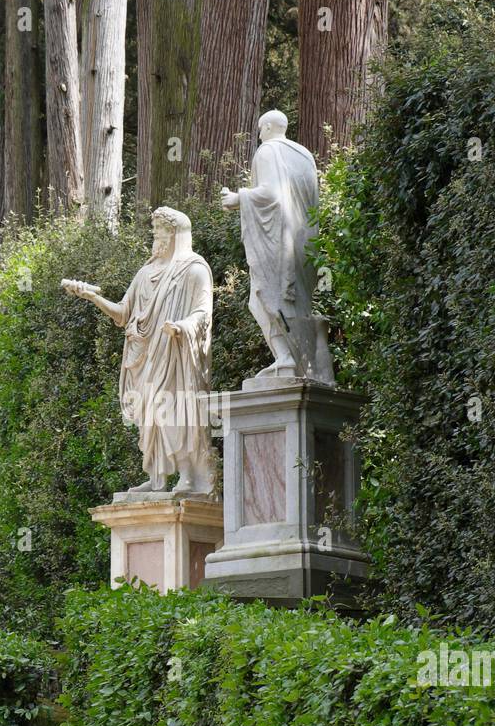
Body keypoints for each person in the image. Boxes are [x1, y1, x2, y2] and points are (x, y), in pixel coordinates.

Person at [62, 207, 215, 495]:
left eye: (161, 228)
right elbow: (122, 313)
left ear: (176, 235)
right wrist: (92, 296)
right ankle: (157, 478)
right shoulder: (145, 273)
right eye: (155, 228)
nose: (155, 233)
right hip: (143, 354)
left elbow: (203, 313)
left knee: (171, 408)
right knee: (149, 416)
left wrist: (181, 327)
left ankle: (188, 476)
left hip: (174, 353)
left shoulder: (194, 269)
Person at [221, 108, 335, 386]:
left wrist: (238, 198)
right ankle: (303, 364)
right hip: (305, 241)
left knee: (263, 299)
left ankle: (288, 359)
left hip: (278, 240)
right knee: (296, 303)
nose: (259, 135)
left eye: (261, 129)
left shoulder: (268, 151)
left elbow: (271, 194)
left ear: (270, 127)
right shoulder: (304, 156)